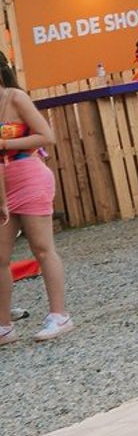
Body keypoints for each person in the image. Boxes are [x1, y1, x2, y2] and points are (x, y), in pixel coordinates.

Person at [0, 58, 69, 340]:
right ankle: (4, 325)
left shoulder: (15, 97)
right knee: (0, 257)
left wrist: (6, 143)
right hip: (2, 187)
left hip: (29, 176)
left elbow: (46, 136)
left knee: (42, 247)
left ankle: (59, 314)